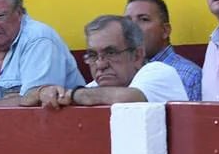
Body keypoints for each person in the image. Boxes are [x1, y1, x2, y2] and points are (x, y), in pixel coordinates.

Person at [25, 14, 186, 107]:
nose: (100, 65)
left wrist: (72, 95)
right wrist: (41, 93)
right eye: (93, 55)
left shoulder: (159, 72)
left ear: (137, 56)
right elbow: (24, 101)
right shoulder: (95, 88)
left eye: (111, 53)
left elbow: (128, 99)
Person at [124, 0, 202, 102]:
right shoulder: (123, 71)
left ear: (165, 30)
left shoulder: (188, 75)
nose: (132, 27)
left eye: (144, 19)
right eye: (128, 21)